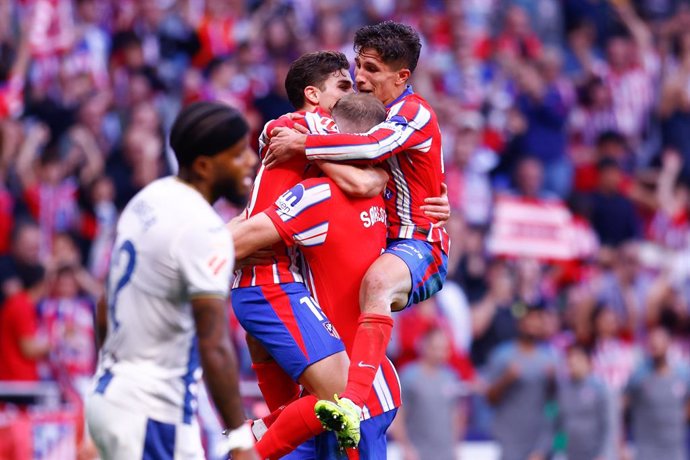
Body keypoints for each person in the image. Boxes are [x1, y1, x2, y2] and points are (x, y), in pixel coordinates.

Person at [265, 21, 449, 446]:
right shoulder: (352, 115)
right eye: (356, 67)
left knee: (378, 283)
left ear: (402, 77)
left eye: (369, 69)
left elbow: (373, 149)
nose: (359, 79)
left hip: (419, 245)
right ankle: (284, 418)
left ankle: (352, 401)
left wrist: (303, 144)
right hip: (372, 245)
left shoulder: (413, 111)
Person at [85, 102, 258, 460]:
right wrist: (240, 438)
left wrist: (113, 379)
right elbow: (214, 343)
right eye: (238, 154)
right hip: (151, 413)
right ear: (205, 165)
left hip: (115, 397)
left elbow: (105, 307)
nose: (251, 161)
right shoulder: (204, 229)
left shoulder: (147, 199)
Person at [231, 93, 401, 458]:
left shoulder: (318, 195)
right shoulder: (383, 189)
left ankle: (250, 438)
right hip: (375, 386)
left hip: (348, 400)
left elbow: (239, 239)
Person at [485, 304, 557, 460]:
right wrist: (506, 379)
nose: (532, 324)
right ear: (519, 323)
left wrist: (553, 382)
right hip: (509, 439)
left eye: (536, 320)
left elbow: (554, 405)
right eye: (528, 320)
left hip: (538, 440)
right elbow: (489, 399)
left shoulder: (550, 359)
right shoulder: (502, 355)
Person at [624, 326, 690, 460]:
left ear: (668, 344)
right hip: (645, 449)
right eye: (652, 342)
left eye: (659, 341)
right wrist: (625, 443)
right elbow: (625, 407)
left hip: (674, 448)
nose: (655, 345)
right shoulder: (638, 376)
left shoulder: (683, 374)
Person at [557, 343, 609, 460]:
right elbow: (558, 424)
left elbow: (607, 425)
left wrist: (602, 453)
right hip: (568, 453)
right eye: (570, 358)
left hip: (592, 454)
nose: (572, 362)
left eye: (577, 358)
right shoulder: (561, 389)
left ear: (588, 361)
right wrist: (559, 452)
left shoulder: (599, 389)